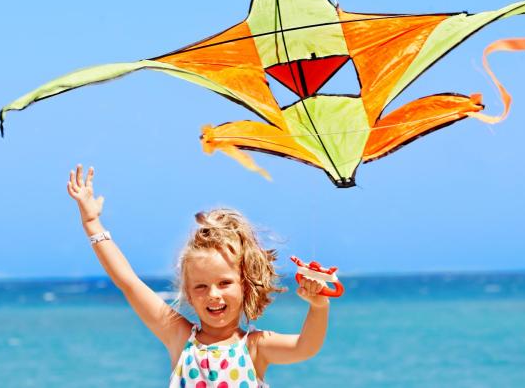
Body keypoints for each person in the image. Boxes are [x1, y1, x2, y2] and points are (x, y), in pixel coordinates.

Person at [66, 164, 330, 387]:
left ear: (245, 285)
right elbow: (129, 282)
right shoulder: (180, 338)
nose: (213, 294)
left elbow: (306, 346)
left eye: (225, 283)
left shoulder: (254, 347)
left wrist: (319, 306)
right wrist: (92, 224)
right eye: (201, 286)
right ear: (189, 295)